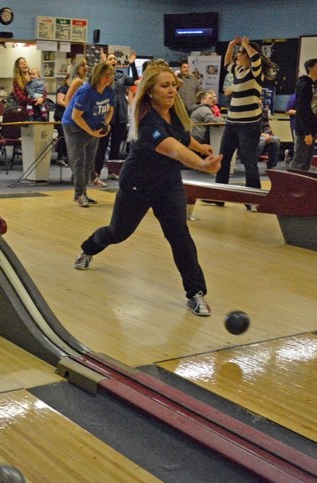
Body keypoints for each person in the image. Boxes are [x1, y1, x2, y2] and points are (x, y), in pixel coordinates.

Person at [73, 63, 222, 317]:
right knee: (118, 232)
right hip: (137, 185)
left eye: (173, 85)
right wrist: (199, 164)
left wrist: (201, 148)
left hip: (168, 184)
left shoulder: (174, 113)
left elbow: (182, 139)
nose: (171, 90)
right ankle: (88, 248)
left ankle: (195, 293)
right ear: (150, 91)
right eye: (164, 86)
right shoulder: (145, 119)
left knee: (180, 236)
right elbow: (172, 147)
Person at [215, 37, 265, 194]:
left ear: (247, 55)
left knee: (248, 160)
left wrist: (245, 44)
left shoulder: (255, 72)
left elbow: (256, 57)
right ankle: (220, 194)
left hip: (249, 124)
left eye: (240, 53)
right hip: (232, 122)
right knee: (224, 157)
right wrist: (231, 45)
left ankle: (253, 196)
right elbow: (226, 63)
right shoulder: (239, 70)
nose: (237, 56)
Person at [62, 62, 115, 207]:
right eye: (105, 75)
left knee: (89, 162)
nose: (108, 78)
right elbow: (75, 116)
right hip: (74, 126)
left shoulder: (109, 91)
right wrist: (91, 131)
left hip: (92, 126)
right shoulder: (86, 91)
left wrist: (105, 123)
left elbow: (110, 109)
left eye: (110, 75)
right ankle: (79, 194)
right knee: (79, 160)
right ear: (97, 75)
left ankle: (83, 192)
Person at [94, 53, 134, 181]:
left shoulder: (122, 76)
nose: (113, 61)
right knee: (102, 145)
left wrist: (132, 63)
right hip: (106, 114)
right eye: (110, 59)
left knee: (116, 145)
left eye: (114, 59)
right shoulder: (102, 77)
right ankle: (96, 172)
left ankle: (112, 171)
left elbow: (134, 80)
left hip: (120, 114)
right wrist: (103, 65)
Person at [290, 58, 317, 171]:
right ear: (310, 68)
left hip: (312, 127)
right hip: (303, 129)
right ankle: (291, 184)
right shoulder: (304, 85)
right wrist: (307, 132)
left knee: (307, 160)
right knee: (300, 159)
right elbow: (302, 109)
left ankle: (302, 185)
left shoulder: (316, 86)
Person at [256, 100, 281, 169]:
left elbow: (266, 126)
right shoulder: (248, 113)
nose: (260, 102)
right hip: (251, 135)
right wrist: (262, 134)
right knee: (262, 141)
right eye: (258, 100)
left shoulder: (264, 112)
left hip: (263, 135)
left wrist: (267, 134)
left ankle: (271, 165)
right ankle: (252, 163)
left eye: (260, 100)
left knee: (276, 139)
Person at [53, 74, 70, 167]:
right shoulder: (63, 88)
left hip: (68, 116)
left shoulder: (74, 89)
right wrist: (71, 107)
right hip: (61, 115)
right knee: (62, 136)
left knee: (68, 137)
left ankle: (67, 157)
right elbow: (59, 101)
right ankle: (60, 158)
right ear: (67, 80)